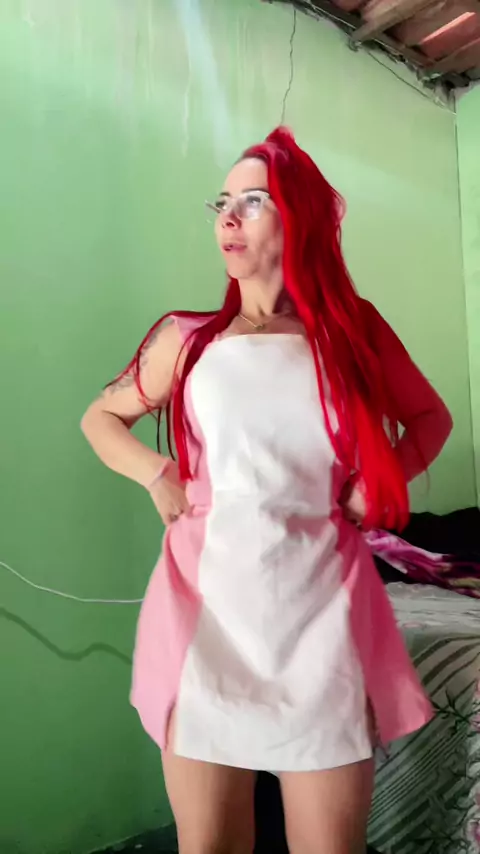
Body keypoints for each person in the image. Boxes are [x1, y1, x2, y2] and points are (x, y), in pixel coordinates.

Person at [81, 127, 453, 854]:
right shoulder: (187, 340)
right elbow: (101, 418)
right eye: (221, 202)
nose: (228, 216)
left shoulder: (353, 332)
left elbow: (429, 419)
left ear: (300, 217)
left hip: (322, 622)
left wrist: (378, 485)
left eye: (253, 201)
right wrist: (156, 472)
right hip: (207, 619)